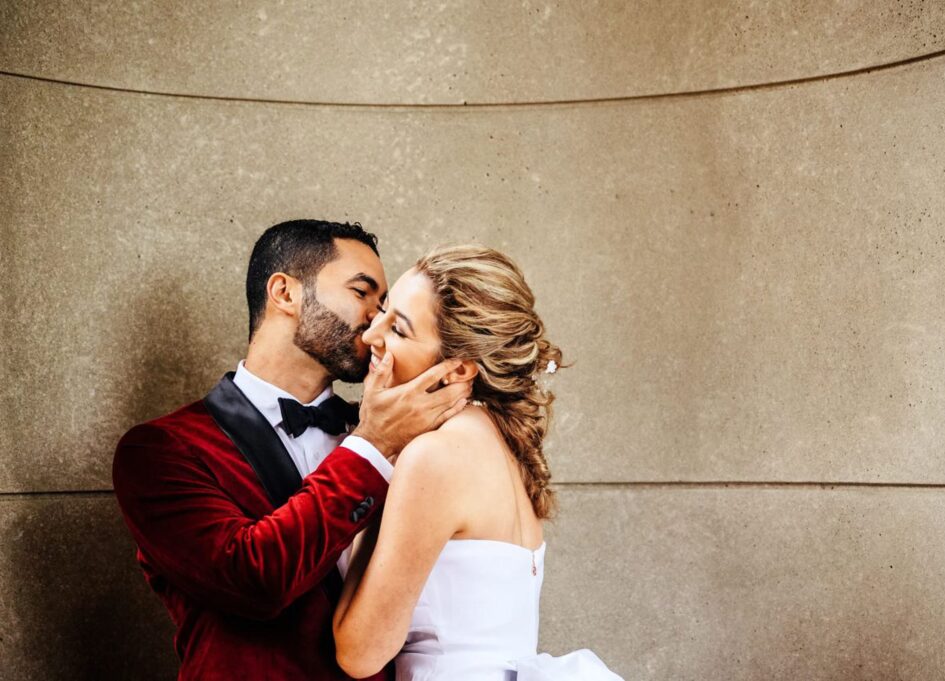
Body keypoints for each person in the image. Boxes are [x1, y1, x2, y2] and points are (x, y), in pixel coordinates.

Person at [112, 220, 470, 681]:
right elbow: (253, 581)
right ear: (284, 292)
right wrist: (371, 446)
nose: (377, 321)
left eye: (385, 307)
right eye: (363, 293)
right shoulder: (160, 451)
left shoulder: (412, 441)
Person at [332, 246, 623, 680]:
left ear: (458, 370)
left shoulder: (435, 458)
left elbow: (359, 653)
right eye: (384, 312)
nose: (373, 334)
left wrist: (376, 448)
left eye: (399, 330)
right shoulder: (500, 439)